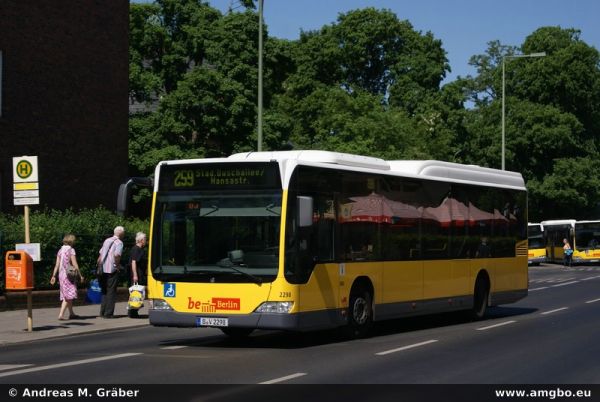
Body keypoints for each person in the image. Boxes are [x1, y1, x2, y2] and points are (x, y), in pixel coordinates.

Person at [50, 234, 84, 320]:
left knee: (66, 293)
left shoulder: (60, 250)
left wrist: (53, 276)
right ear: (72, 241)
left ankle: (71, 313)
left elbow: (57, 265)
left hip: (61, 275)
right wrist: (80, 275)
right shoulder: (71, 250)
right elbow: (75, 264)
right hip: (69, 275)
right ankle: (61, 314)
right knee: (68, 294)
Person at [97, 226, 125, 318]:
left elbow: (100, 255)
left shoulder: (107, 240)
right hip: (112, 270)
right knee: (111, 291)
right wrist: (117, 266)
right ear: (120, 233)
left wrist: (99, 265)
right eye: (123, 233)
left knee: (104, 291)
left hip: (103, 269)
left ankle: (102, 312)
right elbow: (117, 255)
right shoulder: (119, 243)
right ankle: (108, 313)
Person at [128, 232, 147, 318]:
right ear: (141, 240)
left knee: (137, 293)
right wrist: (135, 275)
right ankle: (132, 312)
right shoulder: (136, 249)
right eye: (145, 239)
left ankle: (134, 311)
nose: (146, 241)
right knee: (135, 293)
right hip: (137, 274)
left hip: (140, 274)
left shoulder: (141, 249)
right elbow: (133, 262)